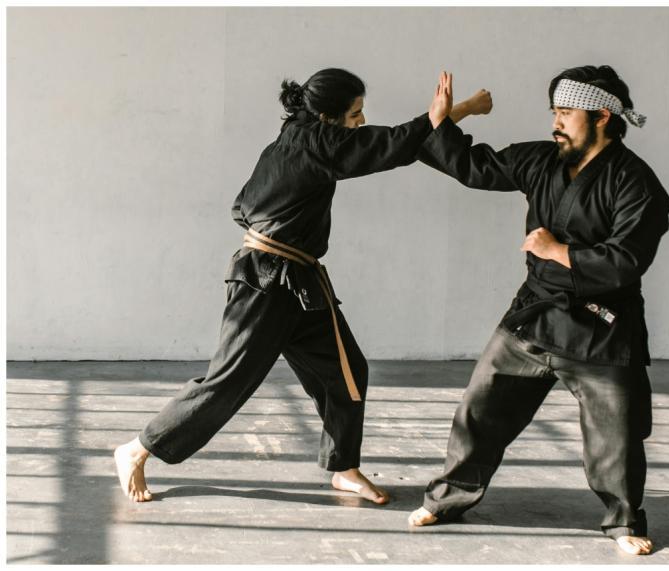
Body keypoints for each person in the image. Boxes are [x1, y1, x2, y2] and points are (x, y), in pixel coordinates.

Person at [114, 69, 489, 505]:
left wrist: (453, 113)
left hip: (301, 282)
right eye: (355, 113)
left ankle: (343, 468)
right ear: (328, 117)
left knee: (345, 371)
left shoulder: (300, 137)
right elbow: (388, 146)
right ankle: (138, 449)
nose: (361, 121)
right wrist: (450, 113)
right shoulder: (315, 143)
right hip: (265, 283)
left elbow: (247, 203)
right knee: (228, 381)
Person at [407, 65, 669, 556]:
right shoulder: (541, 160)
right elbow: (475, 166)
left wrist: (559, 252)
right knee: (479, 410)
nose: (556, 121)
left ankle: (623, 522)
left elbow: (627, 260)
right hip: (534, 314)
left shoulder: (637, 183)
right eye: (554, 111)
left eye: (565, 112)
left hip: (601, 327)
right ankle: (446, 500)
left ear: (602, 117)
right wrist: (442, 122)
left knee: (616, 436)